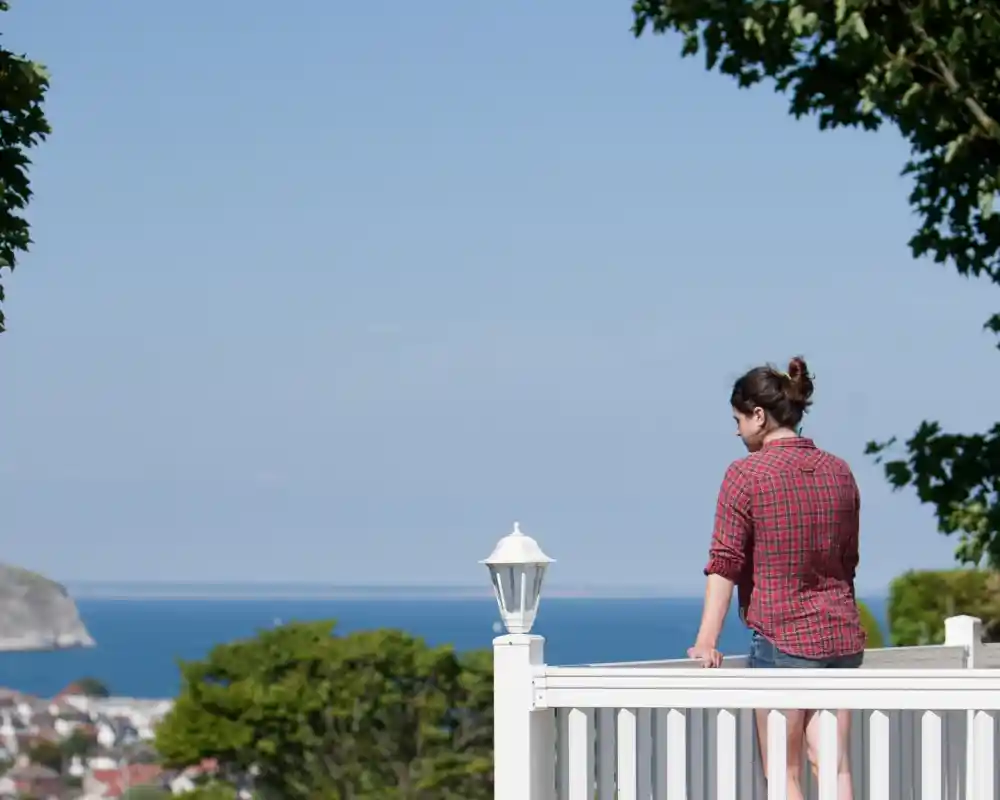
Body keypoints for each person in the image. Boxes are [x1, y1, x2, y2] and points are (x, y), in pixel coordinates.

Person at [687, 356, 865, 800]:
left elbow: (725, 562)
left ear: (759, 416)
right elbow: (849, 561)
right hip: (841, 636)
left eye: (738, 420)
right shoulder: (839, 471)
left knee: (783, 772)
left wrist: (707, 641)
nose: (736, 431)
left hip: (782, 635)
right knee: (834, 766)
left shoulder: (745, 474)